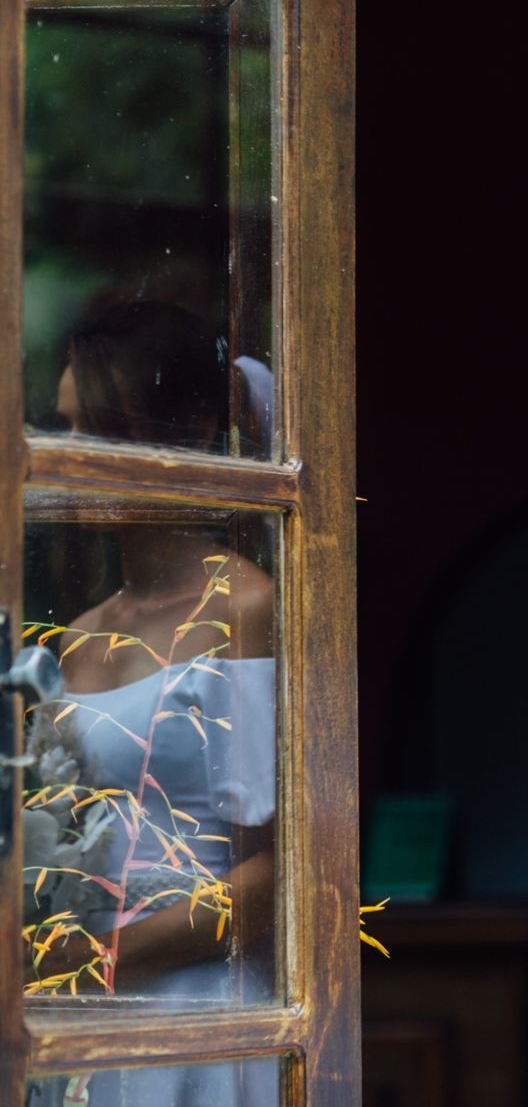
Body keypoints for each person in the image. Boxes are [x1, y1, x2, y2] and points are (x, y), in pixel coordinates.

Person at [24, 301, 279, 1107]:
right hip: (84, 1021)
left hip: (199, 1011)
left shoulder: (246, 607)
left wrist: (87, 961)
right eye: (62, 428)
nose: (70, 455)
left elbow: (277, 874)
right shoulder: (76, 637)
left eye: (96, 429)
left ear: (189, 435)